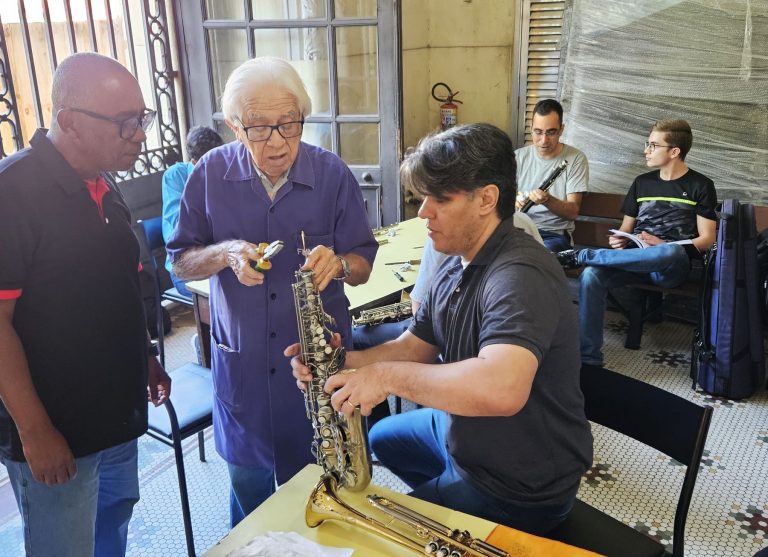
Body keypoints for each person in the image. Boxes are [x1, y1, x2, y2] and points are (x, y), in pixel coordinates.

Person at [287, 123, 593, 536]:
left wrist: (386, 377)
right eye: (423, 197)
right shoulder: (455, 260)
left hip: (520, 481)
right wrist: (341, 363)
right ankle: (448, 492)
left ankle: (462, 512)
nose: (423, 212)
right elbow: (415, 346)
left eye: (440, 199)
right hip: (464, 432)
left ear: (487, 199)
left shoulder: (520, 274)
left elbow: (502, 389)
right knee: (385, 437)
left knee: (378, 537)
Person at [166, 56, 378, 527]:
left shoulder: (332, 174)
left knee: (329, 491)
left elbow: (363, 263)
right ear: (234, 126)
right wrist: (225, 253)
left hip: (317, 367)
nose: (278, 141)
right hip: (243, 368)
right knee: (249, 498)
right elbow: (180, 260)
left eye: (290, 123)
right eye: (260, 127)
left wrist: (341, 264)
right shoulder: (209, 175)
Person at [0, 52, 171, 557]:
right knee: (65, 546)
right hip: (59, 425)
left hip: (114, 413)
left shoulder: (101, 179)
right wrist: (35, 431)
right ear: (69, 121)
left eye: (142, 119)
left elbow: (114, 285)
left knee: (112, 528)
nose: (138, 136)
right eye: (124, 123)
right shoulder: (13, 193)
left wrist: (145, 355)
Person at [556, 119, 717, 368]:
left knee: (671, 251)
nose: (646, 150)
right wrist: (620, 238)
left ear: (674, 151)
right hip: (635, 260)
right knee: (590, 276)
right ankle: (589, 358)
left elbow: (707, 240)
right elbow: (626, 228)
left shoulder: (701, 185)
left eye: (653, 145)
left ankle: (584, 255)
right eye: (647, 144)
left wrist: (662, 244)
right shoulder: (642, 182)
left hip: (670, 267)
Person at [515, 99, 589, 252]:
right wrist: (513, 201)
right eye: (538, 132)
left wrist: (547, 200)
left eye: (551, 132)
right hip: (518, 229)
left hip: (553, 235)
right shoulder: (518, 157)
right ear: (531, 129)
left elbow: (573, 212)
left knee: (533, 256)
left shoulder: (576, 159)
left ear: (561, 130)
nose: (544, 140)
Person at [162, 125, 224, 298]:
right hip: (185, 267)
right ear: (196, 162)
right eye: (212, 163)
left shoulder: (222, 172)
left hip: (217, 259)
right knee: (221, 294)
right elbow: (178, 227)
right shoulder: (175, 176)